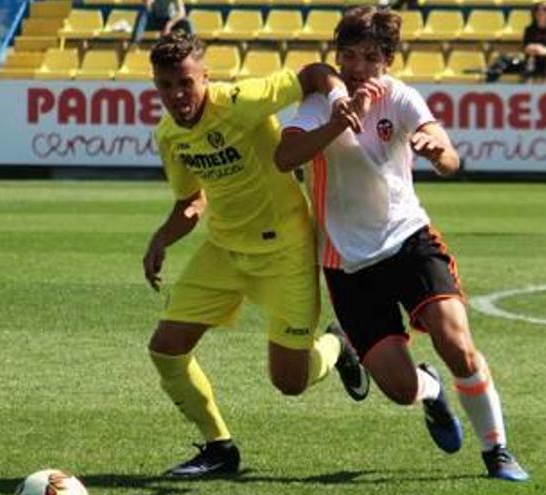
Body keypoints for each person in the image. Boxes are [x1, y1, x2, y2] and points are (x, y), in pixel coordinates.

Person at [274, 6, 530, 483]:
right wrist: (337, 122)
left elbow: (449, 155)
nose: (356, 68)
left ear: (387, 61)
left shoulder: (402, 98)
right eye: (347, 56)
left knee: (457, 343)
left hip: (409, 239)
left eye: (370, 57)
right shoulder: (318, 104)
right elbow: (283, 157)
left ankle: (497, 450)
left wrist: (437, 151)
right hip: (346, 261)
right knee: (398, 387)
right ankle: (432, 391)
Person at [144, 31, 369, 479]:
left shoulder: (242, 101)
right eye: (166, 86)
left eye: (185, 82)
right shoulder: (169, 135)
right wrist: (160, 240)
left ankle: (337, 345)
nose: (177, 95)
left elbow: (313, 74)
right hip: (224, 251)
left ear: (205, 76)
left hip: (284, 250)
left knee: (290, 382)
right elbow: (191, 202)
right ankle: (219, 447)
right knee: (166, 350)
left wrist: (340, 95)